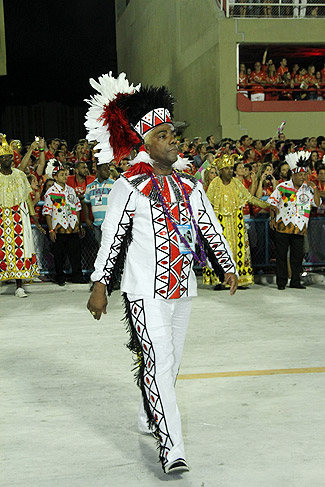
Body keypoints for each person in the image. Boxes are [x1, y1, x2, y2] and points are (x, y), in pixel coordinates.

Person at [85, 73, 238, 474]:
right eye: (166, 133)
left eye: (175, 133)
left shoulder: (191, 184)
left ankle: (145, 415)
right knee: (158, 362)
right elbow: (112, 238)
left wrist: (227, 265)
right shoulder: (129, 185)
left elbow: (209, 227)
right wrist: (100, 284)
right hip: (143, 291)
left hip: (183, 289)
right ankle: (172, 447)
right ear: (147, 141)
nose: (175, 140)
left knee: (170, 361)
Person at [203, 153, 273, 288]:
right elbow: (206, 203)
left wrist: (268, 206)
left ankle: (239, 279)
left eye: (231, 168)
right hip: (220, 222)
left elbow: (250, 198)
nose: (229, 171)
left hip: (236, 222)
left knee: (238, 250)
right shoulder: (214, 184)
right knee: (220, 250)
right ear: (220, 171)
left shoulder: (236, 183)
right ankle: (220, 279)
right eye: (226, 168)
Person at [268, 151, 320, 290]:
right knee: (281, 256)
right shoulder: (282, 187)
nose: (303, 177)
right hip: (282, 227)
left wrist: (314, 188)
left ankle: (296, 281)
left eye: (305, 174)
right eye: (300, 175)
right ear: (294, 174)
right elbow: (272, 203)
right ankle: (281, 282)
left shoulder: (307, 190)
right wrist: (272, 219)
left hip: (299, 228)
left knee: (297, 257)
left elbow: (318, 203)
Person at [0, 136, 44, 297]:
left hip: (18, 217)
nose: (7, 160)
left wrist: (36, 221)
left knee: (19, 250)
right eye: (4, 157)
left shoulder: (19, 175)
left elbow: (27, 198)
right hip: (1, 219)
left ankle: (19, 286)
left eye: (9, 157)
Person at [42, 167, 85, 286]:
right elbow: (47, 212)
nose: (65, 176)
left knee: (76, 253)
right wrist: (51, 229)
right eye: (62, 175)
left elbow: (77, 207)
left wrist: (79, 224)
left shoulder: (71, 190)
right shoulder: (50, 192)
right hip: (58, 228)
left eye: (66, 174)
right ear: (55, 177)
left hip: (73, 227)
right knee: (59, 255)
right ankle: (60, 277)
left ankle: (77, 276)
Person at [82, 163, 115, 245]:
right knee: (100, 250)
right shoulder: (90, 186)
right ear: (98, 170)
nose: (108, 172)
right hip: (97, 224)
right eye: (105, 169)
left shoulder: (114, 184)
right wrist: (87, 219)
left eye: (108, 169)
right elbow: (85, 202)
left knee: (110, 250)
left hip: (110, 224)